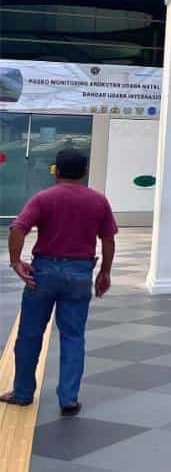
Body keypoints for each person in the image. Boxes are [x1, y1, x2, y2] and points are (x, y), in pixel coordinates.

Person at [1, 148, 117, 416]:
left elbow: (18, 227)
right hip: (79, 274)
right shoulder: (98, 201)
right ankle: (69, 398)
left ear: (57, 171)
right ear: (85, 171)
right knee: (73, 336)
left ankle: (22, 392)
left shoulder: (44, 198)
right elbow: (108, 239)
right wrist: (105, 273)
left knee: (30, 334)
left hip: (43, 273)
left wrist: (16, 261)